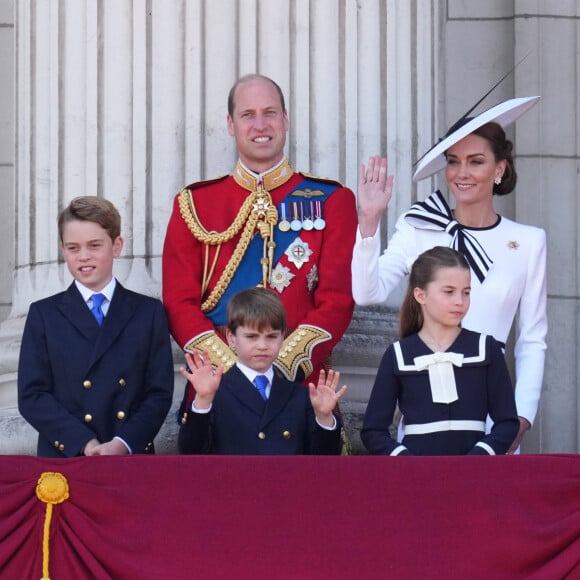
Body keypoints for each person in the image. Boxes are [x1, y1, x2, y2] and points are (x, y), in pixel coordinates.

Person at [352, 96, 546, 453]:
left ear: (500, 168)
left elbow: (532, 339)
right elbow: (367, 293)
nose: (462, 173)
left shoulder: (529, 242)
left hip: (493, 413)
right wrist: (369, 223)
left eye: (476, 162)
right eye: (453, 162)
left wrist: (521, 417)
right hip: (425, 411)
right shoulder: (418, 226)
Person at [162, 74, 358, 421]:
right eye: (247, 114)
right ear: (230, 124)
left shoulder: (332, 201)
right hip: (217, 387)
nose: (260, 124)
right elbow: (179, 303)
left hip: (301, 387)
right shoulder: (194, 204)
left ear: (285, 120)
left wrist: (280, 366)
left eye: (270, 112)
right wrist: (230, 373)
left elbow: (337, 301)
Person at [18, 196, 174, 457]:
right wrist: (83, 442)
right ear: (62, 249)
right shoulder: (43, 314)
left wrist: (123, 443)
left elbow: (159, 392)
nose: (83, 257)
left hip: (130, 457)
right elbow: (32, 395)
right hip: (68, 457)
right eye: (73, 248)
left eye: (94, 245)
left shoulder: (149, 312)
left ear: (116, 245)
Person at [361, 247, 519, 456]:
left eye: (466, 292)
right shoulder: (398, 354)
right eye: (449, 292)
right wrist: (405, 460)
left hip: (475, 478)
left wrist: (479, 457)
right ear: (420, 295)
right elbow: (373, 431)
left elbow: (507, 422)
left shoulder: (485, 348)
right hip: (417, 479)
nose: (459, 301)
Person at [178, 287, 347, 455]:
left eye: (271, 337)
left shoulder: (300, 395)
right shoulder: (214, 392)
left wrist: (324, 418)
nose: (262, 346)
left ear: (282, 338)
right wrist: (202, 403)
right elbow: (191, 453)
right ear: (231, 338)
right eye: (251, 337)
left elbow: (323, 463)